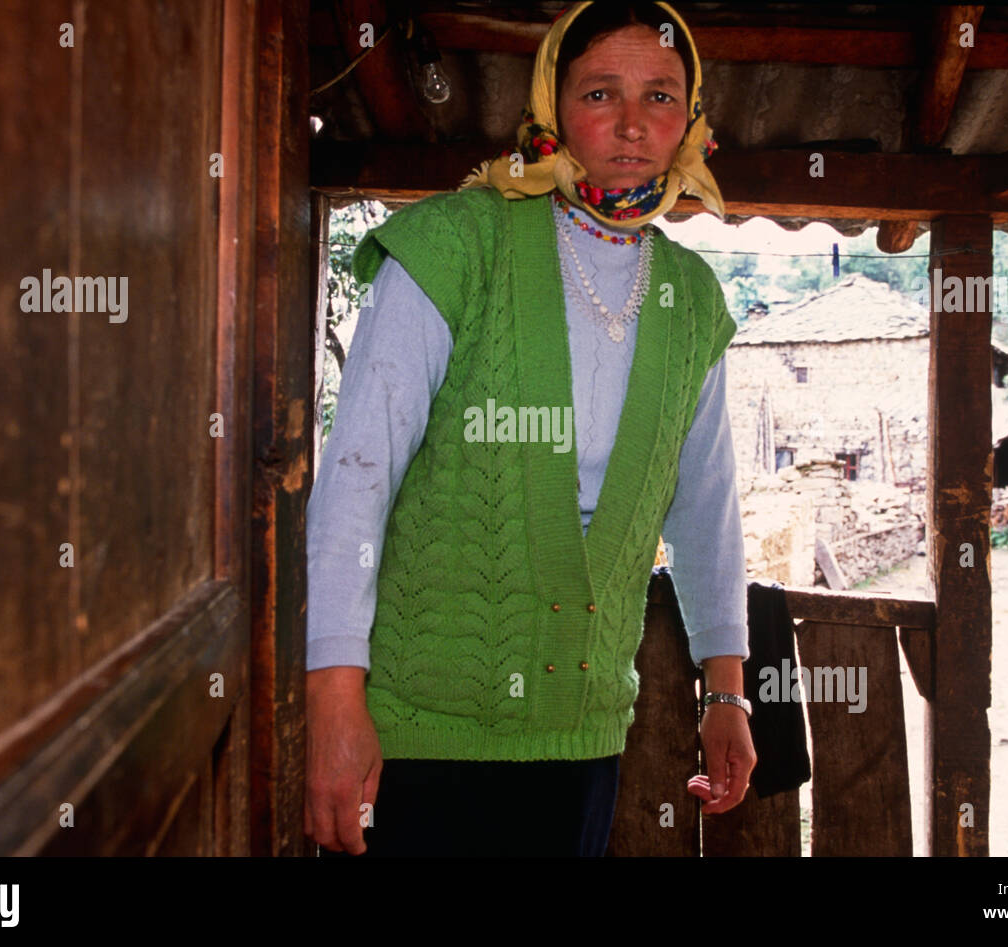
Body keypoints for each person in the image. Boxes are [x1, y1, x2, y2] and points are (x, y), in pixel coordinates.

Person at [305, 0, 755, 858]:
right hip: (417, 734)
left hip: (578, 736)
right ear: (552, 107)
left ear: (691, 118)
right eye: (599, 93)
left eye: (660, 96)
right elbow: (357, 477)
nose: (630, 123)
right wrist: (334, 702)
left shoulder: (691, 300)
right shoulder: (455, 245)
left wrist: (726, 692)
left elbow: (705, 507)